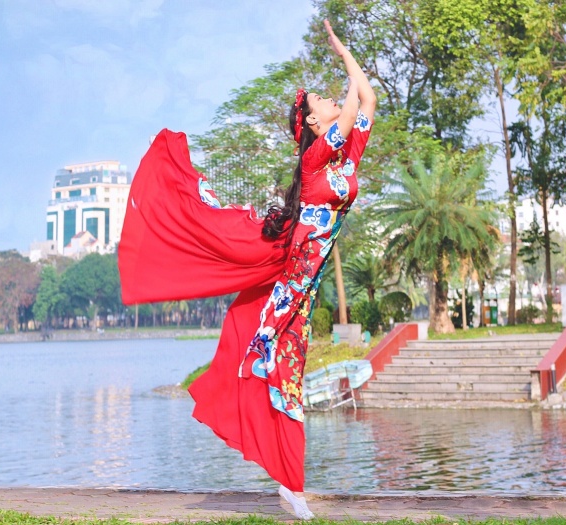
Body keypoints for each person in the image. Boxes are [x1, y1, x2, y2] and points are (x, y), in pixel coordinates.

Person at [118, 20, 375, 520]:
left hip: (303, 291)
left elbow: (365, 100)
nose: (329, 100)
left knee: (288, 378)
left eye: (326, 97)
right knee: (275, 375)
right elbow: (351, 106)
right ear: (317, 125)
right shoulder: (316, 161)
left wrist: (344, 50)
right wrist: (341, 62)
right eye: (320, 102)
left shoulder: (345, 158)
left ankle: (289, 483)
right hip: (287, 290)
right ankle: (292, 487)